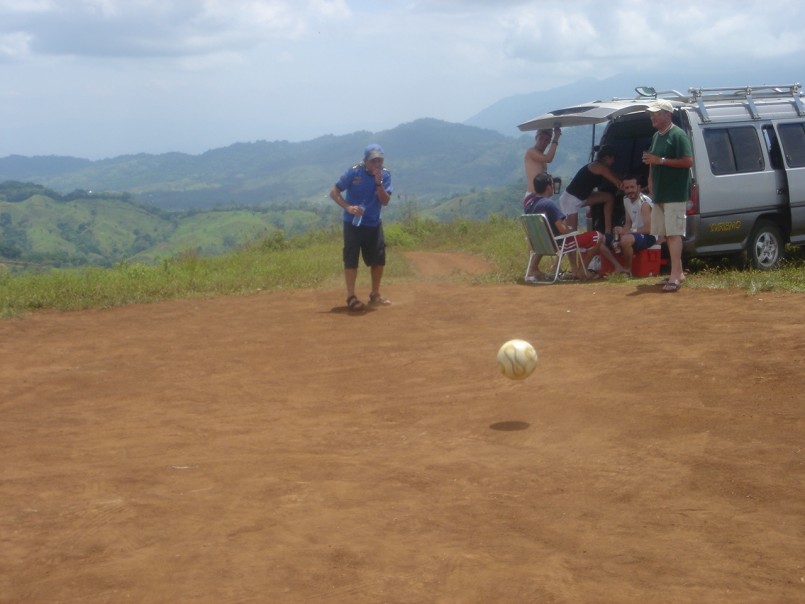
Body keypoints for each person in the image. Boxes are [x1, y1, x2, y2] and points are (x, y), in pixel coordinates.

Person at [329, 143, 392, 311]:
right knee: (351, 260)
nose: (377, 165)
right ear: (365, 161)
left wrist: (379, 184)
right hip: (353, 224)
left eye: (379, 161)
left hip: (373, 224)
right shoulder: (353, 171)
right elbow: (334, 192)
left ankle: (375, 294)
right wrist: (348, 207)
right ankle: (351, 296)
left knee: (378, 261)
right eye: (373, 161)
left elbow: (385, 201)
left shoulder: (385, 176)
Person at [524, 172, 621, 280]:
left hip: (540, 244)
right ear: (548, 187)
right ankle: (581, 271)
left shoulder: (529, 203)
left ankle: (533, 268)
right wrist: (571, 229)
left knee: (569, 236)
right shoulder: (548, 204)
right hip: (557, 245)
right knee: (598, 237)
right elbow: (562, 230)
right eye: (552, 184)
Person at [642, 99, 693, 292]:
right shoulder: (657, 136)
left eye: (657, 113)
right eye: (652, 114)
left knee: (674, 234)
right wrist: (650, 179)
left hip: (675, 192)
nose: (653, 117)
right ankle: (678, 272)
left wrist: (661, 161)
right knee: (665, 233)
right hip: (661, 192)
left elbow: (688, 161)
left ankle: (675, 276)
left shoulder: (678, 135)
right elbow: (653, 159)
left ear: (668, 115)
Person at [559, 145, 621, 233]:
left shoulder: (597, 165)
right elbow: (618, 183)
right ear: (607, 157)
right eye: (613, 159)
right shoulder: (600, 167)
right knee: (571, 233)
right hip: (570, 200)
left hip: (581, 197)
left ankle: (608, 231)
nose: (613, 162)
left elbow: (614, 175)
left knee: (609, 197)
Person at [611, 175, 657, 274]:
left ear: (639, 188)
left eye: (632, 187)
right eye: (627, 188)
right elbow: (628, 223)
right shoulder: (626, 200)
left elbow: (649, 229)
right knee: (608, 238)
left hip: (649, 236)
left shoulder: (644, 203)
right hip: (635, 233)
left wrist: (629, 232)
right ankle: (617, 268)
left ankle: (627, 270)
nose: (629, 190)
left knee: (626, 240)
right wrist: (622, 230)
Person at [524, 128, 561, 195]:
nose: (543, 142)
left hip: (541, 196)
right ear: (536, 138)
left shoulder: (542, 158)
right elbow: (549, 158)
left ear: (549, 142)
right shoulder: (531, 152)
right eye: (541, 138)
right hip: (533, 196)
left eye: (546, 140)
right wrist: (556, 138)